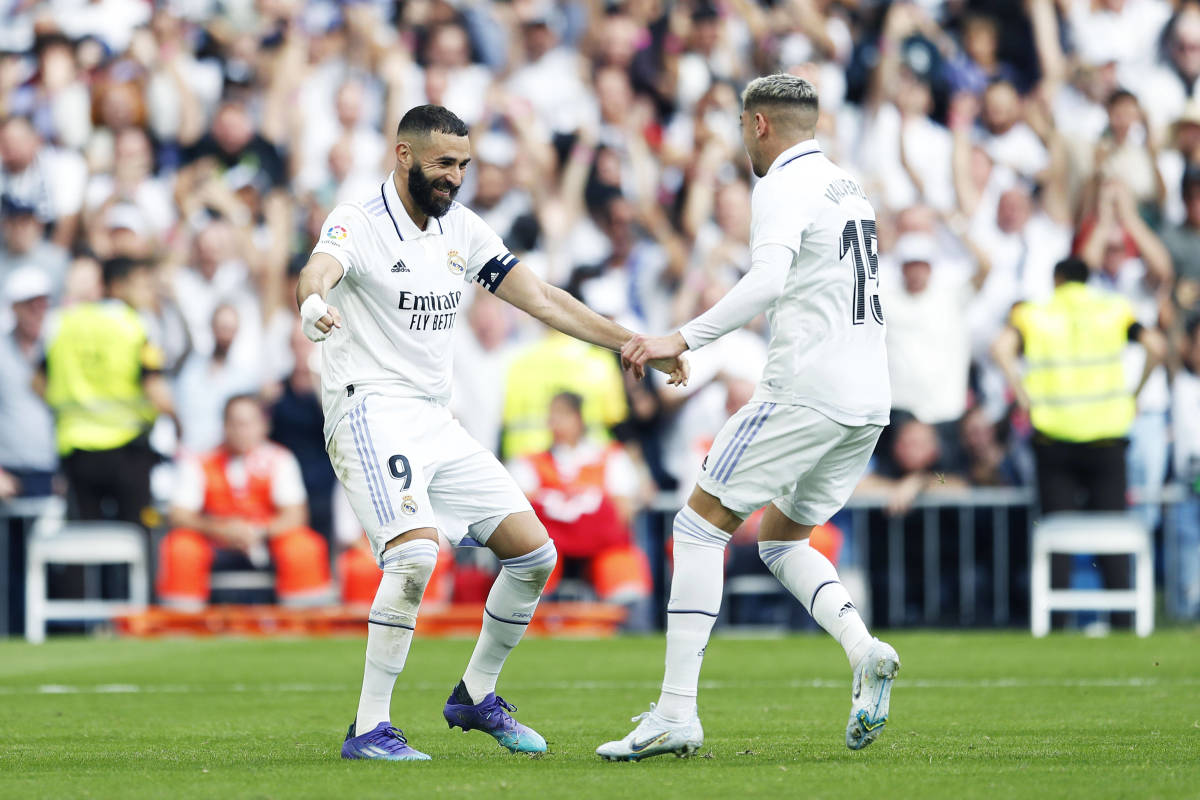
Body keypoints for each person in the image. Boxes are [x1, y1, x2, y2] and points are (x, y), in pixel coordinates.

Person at [295, 104, 686, 761]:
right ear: (403, 155)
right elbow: (318, 271)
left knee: (534, 555)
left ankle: (475, 696)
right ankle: (368, 728)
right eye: (443, 164)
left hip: (434, 417)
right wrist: (312, 303)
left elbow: (545, 299)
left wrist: (633, 342)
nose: (455, 178)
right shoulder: (357, 222)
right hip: (370, 408)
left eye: (464, 166)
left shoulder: (464, 231)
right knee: (415, 556)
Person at [600, 74, 899, 760]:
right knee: (781, 541)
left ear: (759, 125)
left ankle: (676, 712)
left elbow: (767, 282)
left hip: (805, 390)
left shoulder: (781, 185)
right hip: (866, 400)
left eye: (742, 129)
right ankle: (864, 648)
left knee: (698, 526)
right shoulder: (847, 187)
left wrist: (682, 337)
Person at [991, 257, 1166, 627]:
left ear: (1058, 279)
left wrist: (1022, 394)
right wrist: (1135, 394)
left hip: (1053, 438)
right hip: (1107, 437)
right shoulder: (1114, 310)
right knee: (1114, 533)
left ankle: (1056, 622)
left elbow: (1000, 349)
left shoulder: (1035, 313)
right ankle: (1123, 620)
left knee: (1057, 535)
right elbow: (1157, 346)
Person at [157, 395, 332, 608]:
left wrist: (257, 531)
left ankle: (305, 620)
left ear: (263, 426)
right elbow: (179, 514)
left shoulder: (280, 459)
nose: (241, 431)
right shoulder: (200, 461)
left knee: (303, 547)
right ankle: (180, 622)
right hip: (213, 541)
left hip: (265, 539)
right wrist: (220, 530)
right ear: (224, 426)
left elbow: (295, 515)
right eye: (235, 423)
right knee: (180, 547)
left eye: (248, 423)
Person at [39, 256, 176, 527]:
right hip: (128, 448)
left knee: (82, 539)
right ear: (116, 287)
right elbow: (154, 386)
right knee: (134, 538)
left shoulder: (63, 322)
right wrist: (178, 422)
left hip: (76, 448)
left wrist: (66, 406)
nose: (149, 294)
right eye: (142, 286)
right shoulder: (136, 324)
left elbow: (38, 379)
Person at [507, 391, 652, 609]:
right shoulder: (530, 462)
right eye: (552, 416)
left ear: (579, 418)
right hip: (548, 550)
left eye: (563, 415)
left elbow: (624, 511)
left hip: (602, 547)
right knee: (529, 566)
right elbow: (520, 513)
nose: (555, 422)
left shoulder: (610, 458)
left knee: (623, 571)